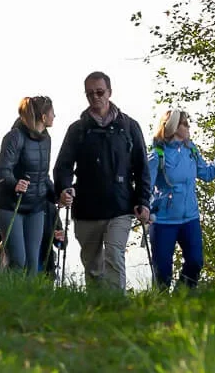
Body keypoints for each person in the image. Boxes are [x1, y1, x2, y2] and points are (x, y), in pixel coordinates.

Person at [52, 71, 153, 290]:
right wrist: (64, 188)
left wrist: (143, 201)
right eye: (90, 94)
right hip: (87, 208)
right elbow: (63, 166)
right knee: (93, 265)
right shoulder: (77, 130)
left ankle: (117, 309)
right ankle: (98, 310)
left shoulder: (129, 127)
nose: (95, 97)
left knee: (115, 255)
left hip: (120, 205)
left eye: (100, 92)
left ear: (110, 92)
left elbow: (142, 167)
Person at [146, 108, 215, 291]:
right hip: (163, 221)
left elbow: (207, 174)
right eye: (185, 123)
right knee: (163, 273)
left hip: (190, 219)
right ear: (173, 127)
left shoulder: (191, 151)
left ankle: (181, 298)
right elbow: (145, 186)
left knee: (195, 262)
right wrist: (143, 208)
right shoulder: (157, 155)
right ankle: (160, 308)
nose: (188, 127)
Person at [0, 95, 57, 274]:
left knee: (34, 261)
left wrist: (56, 194)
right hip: (10, 204)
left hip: (35, 206)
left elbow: (43, 175)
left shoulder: (46, 139)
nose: (54, 116)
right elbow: (0, 170)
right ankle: (10, 296)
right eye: (52, 113)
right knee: (19, 259)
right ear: (43, 117)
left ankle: (30, 298)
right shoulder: (14, 137)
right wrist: (14, 184)